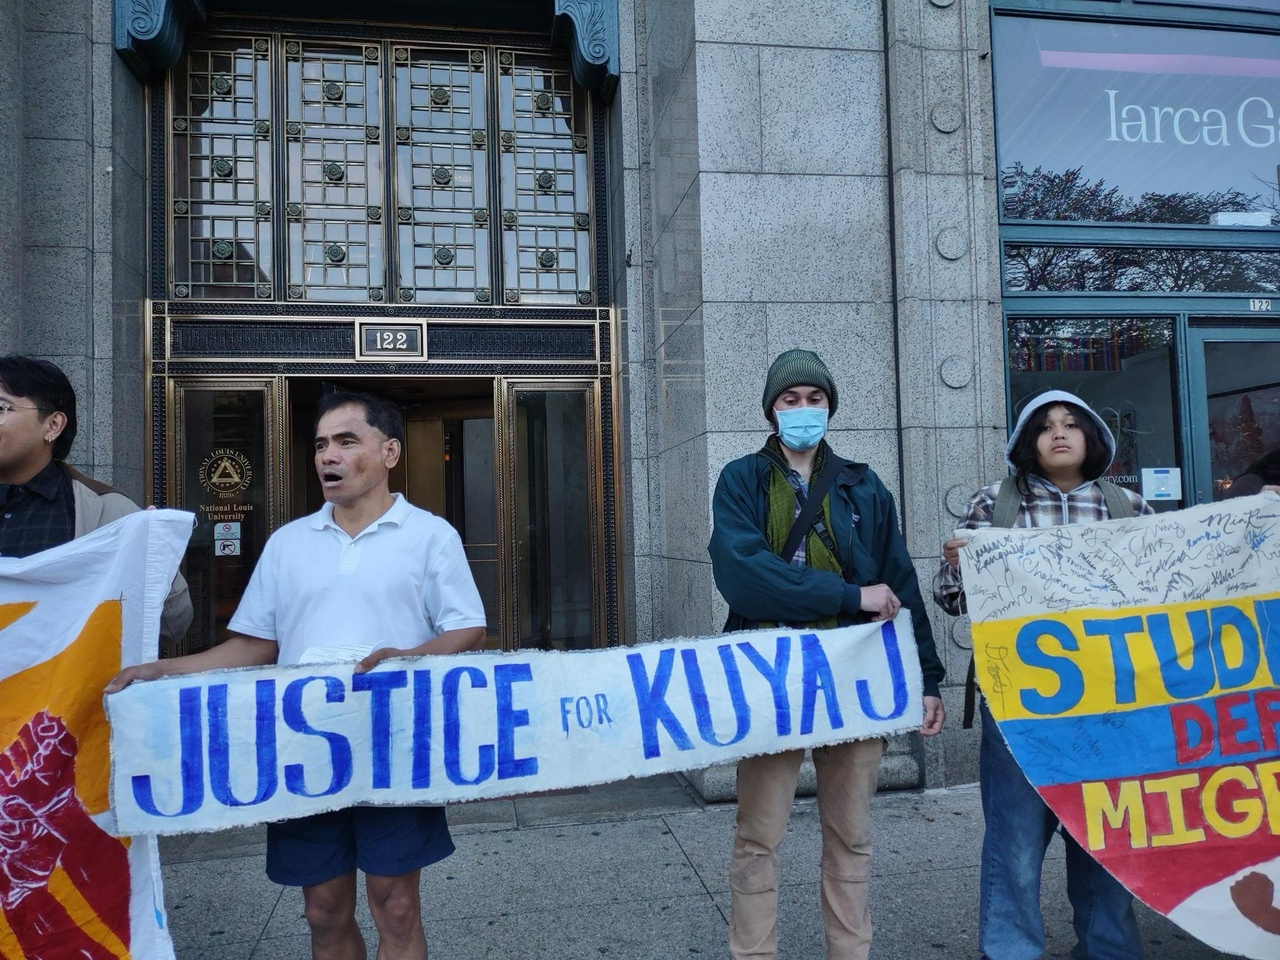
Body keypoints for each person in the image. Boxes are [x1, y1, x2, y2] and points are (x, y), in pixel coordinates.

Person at [106, 390, 487, 960]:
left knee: (398, 905)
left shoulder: (431, 535)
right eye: (320, 444)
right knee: (322, 909)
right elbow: (258, 644)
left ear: (389, 453)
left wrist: (410, 656)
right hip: (304, 754)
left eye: (346, 441)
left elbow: (468, 628)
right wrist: (166, 668)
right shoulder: (287, 545)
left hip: (394, 746)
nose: (328, 455)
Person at [708, 349, 946, 960]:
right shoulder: (741, 479)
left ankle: (850, 951)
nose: (804, 410)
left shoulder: (863, 484)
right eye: (791, 400)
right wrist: (848, 595)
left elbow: (901, 580)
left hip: (856, 673)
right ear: (771, 410)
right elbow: (744, 578)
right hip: (773, 674)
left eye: (815, 399)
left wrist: (927, 677)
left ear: (830, 407)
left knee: (852, 834)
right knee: (758, 835)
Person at [934, 389, 1152, 960]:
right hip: (1016, 706)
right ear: (1029, 442)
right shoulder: (993, 505)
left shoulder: (1128, 508)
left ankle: (1111, 949)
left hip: (1110, 704)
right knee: (1014, 840)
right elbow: (950, 600)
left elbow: (1166, 596)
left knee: (1107, 835)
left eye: (1071, 424)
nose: (1059, 433)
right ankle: (1010, 950)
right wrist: (959, 567)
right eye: (1046, 425)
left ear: (1092, 439)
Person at [0, 354, 191, 643]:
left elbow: (170, 627)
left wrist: (156, 562)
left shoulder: (107, 512)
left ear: (52, 425)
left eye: (2, 407)